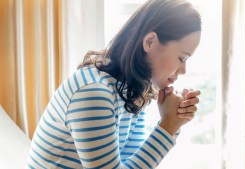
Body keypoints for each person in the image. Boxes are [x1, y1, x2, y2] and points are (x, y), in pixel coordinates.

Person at [26, 0, 202, 168]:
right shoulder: (94, 93)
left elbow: (129, 163)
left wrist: (174, 121)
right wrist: (169, 125)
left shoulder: (131, 92)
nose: (183, 70)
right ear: (149, 42)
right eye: (182, 58)